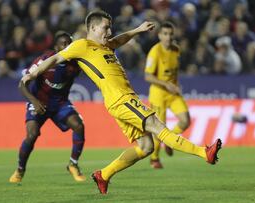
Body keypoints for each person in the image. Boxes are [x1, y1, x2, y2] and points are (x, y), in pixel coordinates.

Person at [21, 10, 222, 194]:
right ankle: (205, 153)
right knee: (156, 125)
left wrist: (138, 30)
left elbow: (120, 39)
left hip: (123, 99)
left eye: (110, 27)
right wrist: (34, 72)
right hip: (121, 99)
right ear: (92, 28)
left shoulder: (106, 45)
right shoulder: (82, 45)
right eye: (105, 27)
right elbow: (55, 59)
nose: (109, 31)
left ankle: (104, 175)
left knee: (145, 147)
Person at [9, 31, 86, 183]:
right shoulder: (44, 60)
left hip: (60, 103)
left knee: (78, 125)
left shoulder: (76, 63)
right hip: (38, 102)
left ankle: (73, 164)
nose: (66, 47)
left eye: (69, 44)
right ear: (56, 47)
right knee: (32, 135)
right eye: (63, 44)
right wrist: (34, 102)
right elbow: (22, 84)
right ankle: (20, 169)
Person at [144, 22, 191, 169]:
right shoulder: (155, 52)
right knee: (159, 130)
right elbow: (147, 76)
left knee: (185, 120)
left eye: (170, 34)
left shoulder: (176, 50)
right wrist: (166, 84)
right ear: (159, 35)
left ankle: (170, 141)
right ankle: (154, 158)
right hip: (158, 94)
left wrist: (175, 85)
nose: (168, 37)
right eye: (165, 34)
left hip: (173, 93)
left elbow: (173, 72)